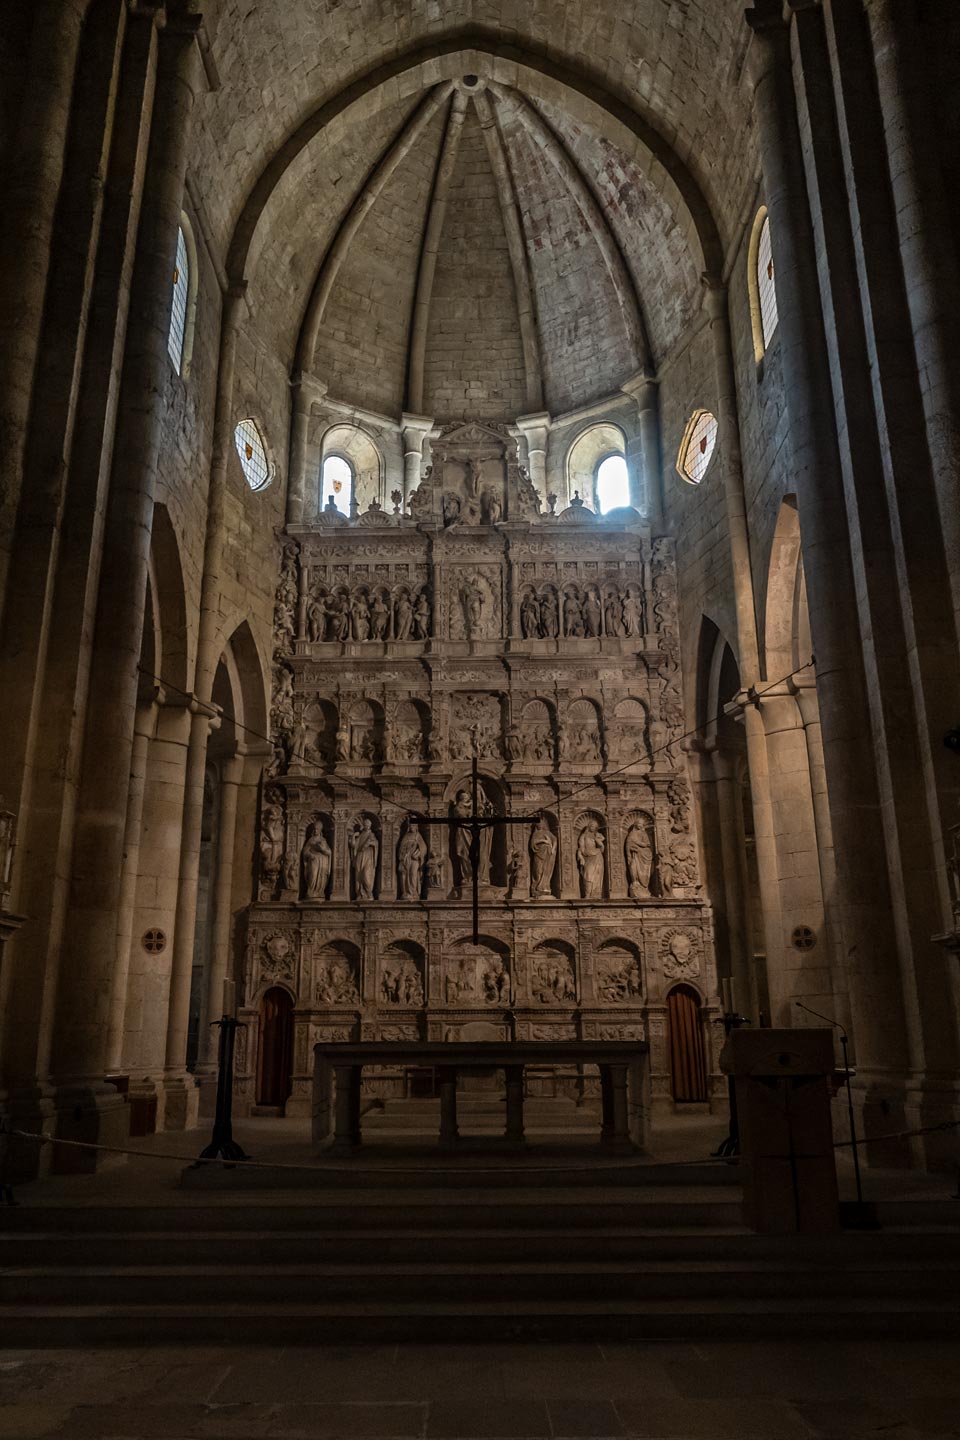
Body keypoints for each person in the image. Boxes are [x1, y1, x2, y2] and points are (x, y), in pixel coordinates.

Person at [349, 816, 379, 899]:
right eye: (365, 825)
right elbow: (353, 845)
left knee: (366, 875)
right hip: (359, 856)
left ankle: (369, 893)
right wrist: (354, 836)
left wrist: (371, 843)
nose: (367, 826)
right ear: (363, 825)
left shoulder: (372, 835)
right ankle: (360, 893)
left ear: (370, 826)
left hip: (368, 857)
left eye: (368, 825)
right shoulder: (361, 835)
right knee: (359, 875)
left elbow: (375, 844)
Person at [301, 821, 332, 900]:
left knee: (321, 877)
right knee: (313, 875)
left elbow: (329, 852)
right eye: (314, 829)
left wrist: (323, 850)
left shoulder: (323, 840)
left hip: (322, 861)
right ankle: (311, 890)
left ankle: (320, 891)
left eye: (317, 829)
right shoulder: (310, 840)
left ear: (320, 830)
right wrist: (310, 855)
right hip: (313, 860)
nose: (315, 831)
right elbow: (305, 852)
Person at [397, 821, 427, 900]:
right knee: (405, 875)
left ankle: (414, 892)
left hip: (415, 859)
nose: (411, 827)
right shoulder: (405, 836)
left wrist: (418, 853)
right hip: (406, 858)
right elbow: (401, 848)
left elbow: (423, 848)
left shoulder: (418, 836)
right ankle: (405, 892)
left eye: (413, 825)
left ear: (416, 826)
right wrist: (404, 852)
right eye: (410, 825)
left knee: (413, 874)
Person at [624, 819, 654, 897]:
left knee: (646, 869)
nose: (640, 825)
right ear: (635, 824)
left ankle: (644, 886)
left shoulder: (644, 833)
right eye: (638, 823)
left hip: (644, 855)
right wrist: (632, 848)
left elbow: (647, 844)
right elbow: (628, 844)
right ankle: (635, 882)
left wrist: (637, 844)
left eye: (641, 824)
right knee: (633, 866)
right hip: (635, 854)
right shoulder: (631, 834)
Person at [577, 818, 605, 898]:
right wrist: (580, 856)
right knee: (588, 875)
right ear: (589, 826)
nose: (593, 827)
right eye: (592, 826)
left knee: (597, 876)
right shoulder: (583, 836)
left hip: (597, 856)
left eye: (595, 826)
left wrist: (600, 843)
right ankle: (587, 894)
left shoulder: (598, 836)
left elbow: (602, 849)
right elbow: (581, 848)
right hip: (588, 857)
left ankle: (596, 894)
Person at [529, 818, 557, 896]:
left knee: (547, 869)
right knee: (538, 870)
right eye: (538, 823)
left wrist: (553, 849)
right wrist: (543, 841)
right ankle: (536, 886)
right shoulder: (535, 834)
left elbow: (555, 840)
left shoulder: (548, 833)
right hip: (538, 853)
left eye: (541, 823)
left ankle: (545, 886)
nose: (540, 825)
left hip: (548, 853)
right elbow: (532, 844)